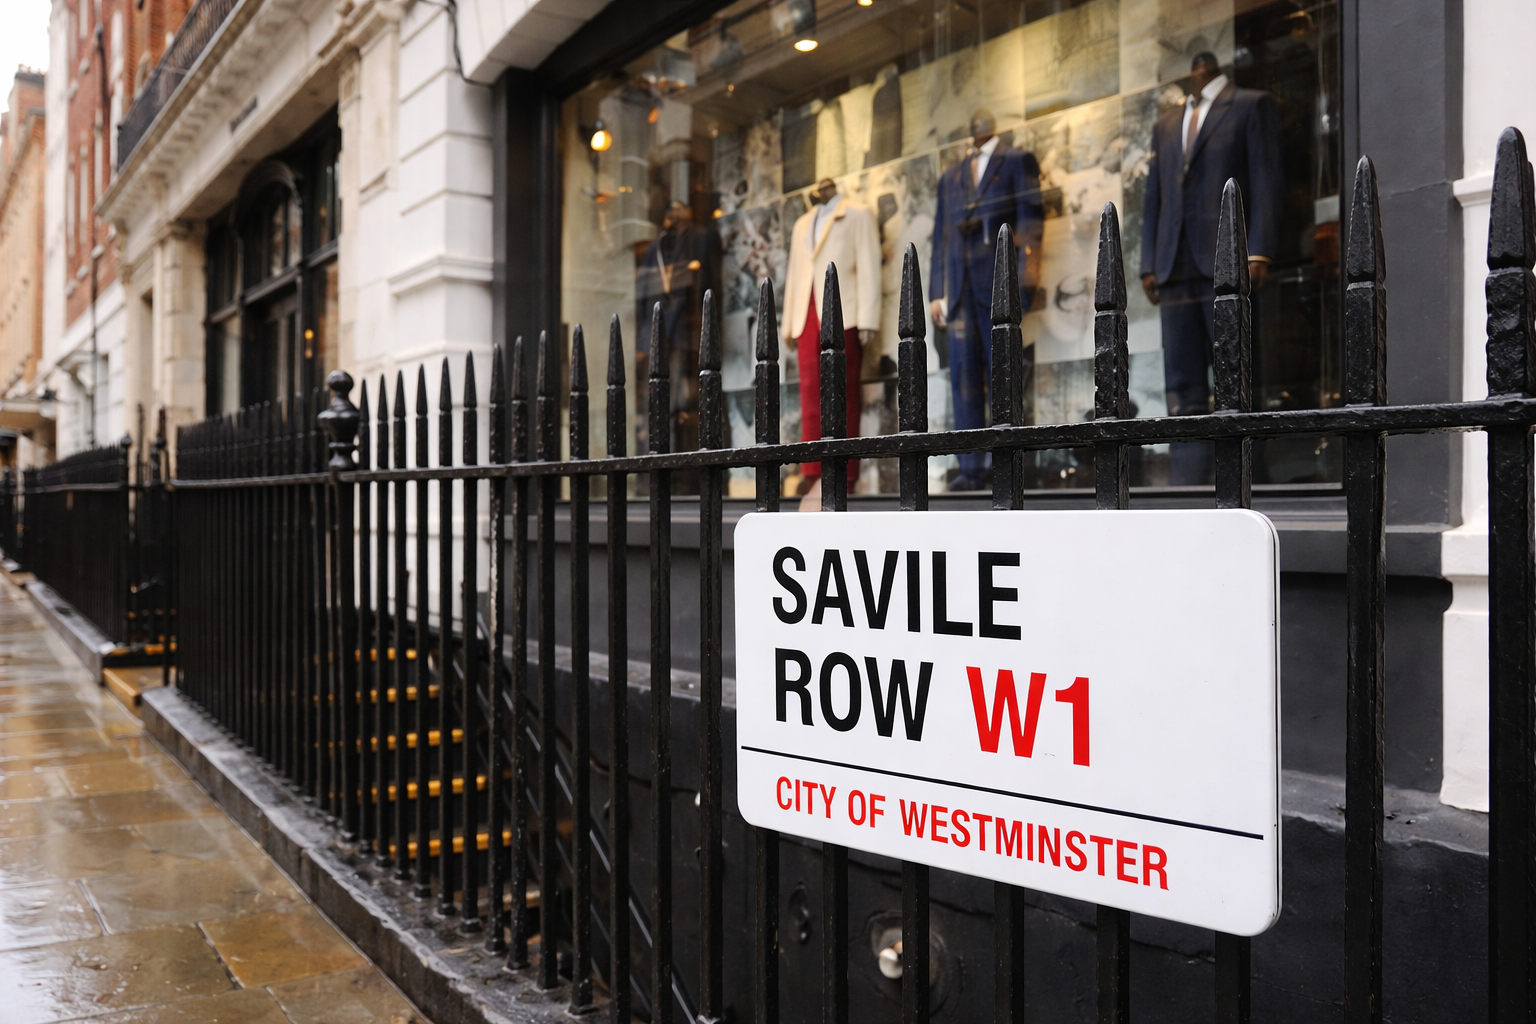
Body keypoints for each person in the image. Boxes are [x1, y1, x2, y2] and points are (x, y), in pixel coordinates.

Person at [1140, 52, 1282, 484]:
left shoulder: (1250, 105)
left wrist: (1258, 250)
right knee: (1181, 382)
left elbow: (1266, 178)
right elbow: (1155, 196)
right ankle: (1187, 479)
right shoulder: (1166, 124)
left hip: (1227, 260)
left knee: (1234, 373)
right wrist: (1149, 260)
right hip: (1174, 261)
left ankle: (1242, 474)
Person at [929, 109, 1044, 492]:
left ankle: (1006, 464)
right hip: (960, 290)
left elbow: (1031, 224)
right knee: (963, 381)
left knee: (1004, 377)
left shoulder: (1016, 161)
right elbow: (941, 236)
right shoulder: (951, 176)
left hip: (997, 286)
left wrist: (1025, 281)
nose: (976, 128)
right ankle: (970, 467)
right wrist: (936, 293)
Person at [781, 177, 882, 498]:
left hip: (844, 310)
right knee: (810, 394)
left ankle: (843, 475)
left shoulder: (857, 213)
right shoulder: (802, 225)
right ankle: (813, 474)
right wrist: (788, 323)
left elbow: (868, 265)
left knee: (843, 393)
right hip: (806, 312)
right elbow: (796, 272)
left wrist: (867, 317)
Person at [635, 200, 721, 456]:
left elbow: (710, 283)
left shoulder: (702, 238)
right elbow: (643, 296)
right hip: (663, 331)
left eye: (682, 209)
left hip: (689, 328)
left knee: (694, 393)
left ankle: (691, 454)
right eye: (671, 210)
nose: (676, 214)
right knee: (661, 395)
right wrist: (644, 339)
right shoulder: (656, 246)